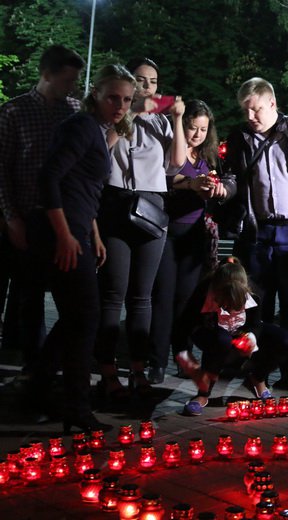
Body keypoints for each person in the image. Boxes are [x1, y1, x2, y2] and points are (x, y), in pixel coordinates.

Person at [29, 64, 136, 431]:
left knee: (76, 318)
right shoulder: (81, 127)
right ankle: (74, 405)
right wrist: (64, 235)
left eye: (126, 100)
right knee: (86, 317)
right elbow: (50, 178)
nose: (120, 106)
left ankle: (41, 387)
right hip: (63, 233)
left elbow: (82, 186)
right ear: (96, 94)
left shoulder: (95, 129)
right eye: (113, 98)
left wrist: (94, 233)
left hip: (77, 229)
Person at [224, 77, 288, 390]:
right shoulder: (240, 136)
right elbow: (233, 176)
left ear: (272, 103)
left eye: (255, 109)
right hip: (258, 230)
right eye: (245, 110)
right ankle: (260, 371)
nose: (250, 116)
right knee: (258, 307)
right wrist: (223, 190)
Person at [95, 58, 186, 401]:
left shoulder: (160, 122)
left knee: (142, 296)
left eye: (153, 81)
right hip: (117, 203)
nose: (148, 87)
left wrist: (177, 118)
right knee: (113, 292)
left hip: (151, 206)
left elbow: (177, 164)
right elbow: (101, 151)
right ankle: (106, 370)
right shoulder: (114, 116)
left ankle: (137, 368)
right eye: (141, 80)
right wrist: (132, 114)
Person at [0, 45, 84, 379]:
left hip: (65, 217)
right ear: (47, 74)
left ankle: (56, 363)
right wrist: (11, 218)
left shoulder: (74, 110)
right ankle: (34, 365)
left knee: (71, 296)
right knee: (29, 295)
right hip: (28, 214)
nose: (72, 87)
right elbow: (2, 170)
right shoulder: (14, 112)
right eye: (67, 80)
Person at [149, 100, 234, 383]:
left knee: (186, 302)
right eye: (192, 127)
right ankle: (157, 361)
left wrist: (216, 189)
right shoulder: (171, 150)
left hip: (194, 235)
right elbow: (163, 179)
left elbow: (225, 181)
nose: (197, 134)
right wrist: (190, 184)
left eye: (203, 129)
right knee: (163, 298)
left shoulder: (208, 156)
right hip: (167, 231)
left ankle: (182, 356)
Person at [177, 258, 288, 416]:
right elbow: (181, 329)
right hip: (210, 331)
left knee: (287, 341)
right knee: (222, 341)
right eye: (226, 303)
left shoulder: (254, 293)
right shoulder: (202, 294)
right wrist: (187, 362)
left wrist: (250, 337)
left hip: (239, 331)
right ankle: (203, 394)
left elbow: (255, 323)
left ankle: (258, 378)